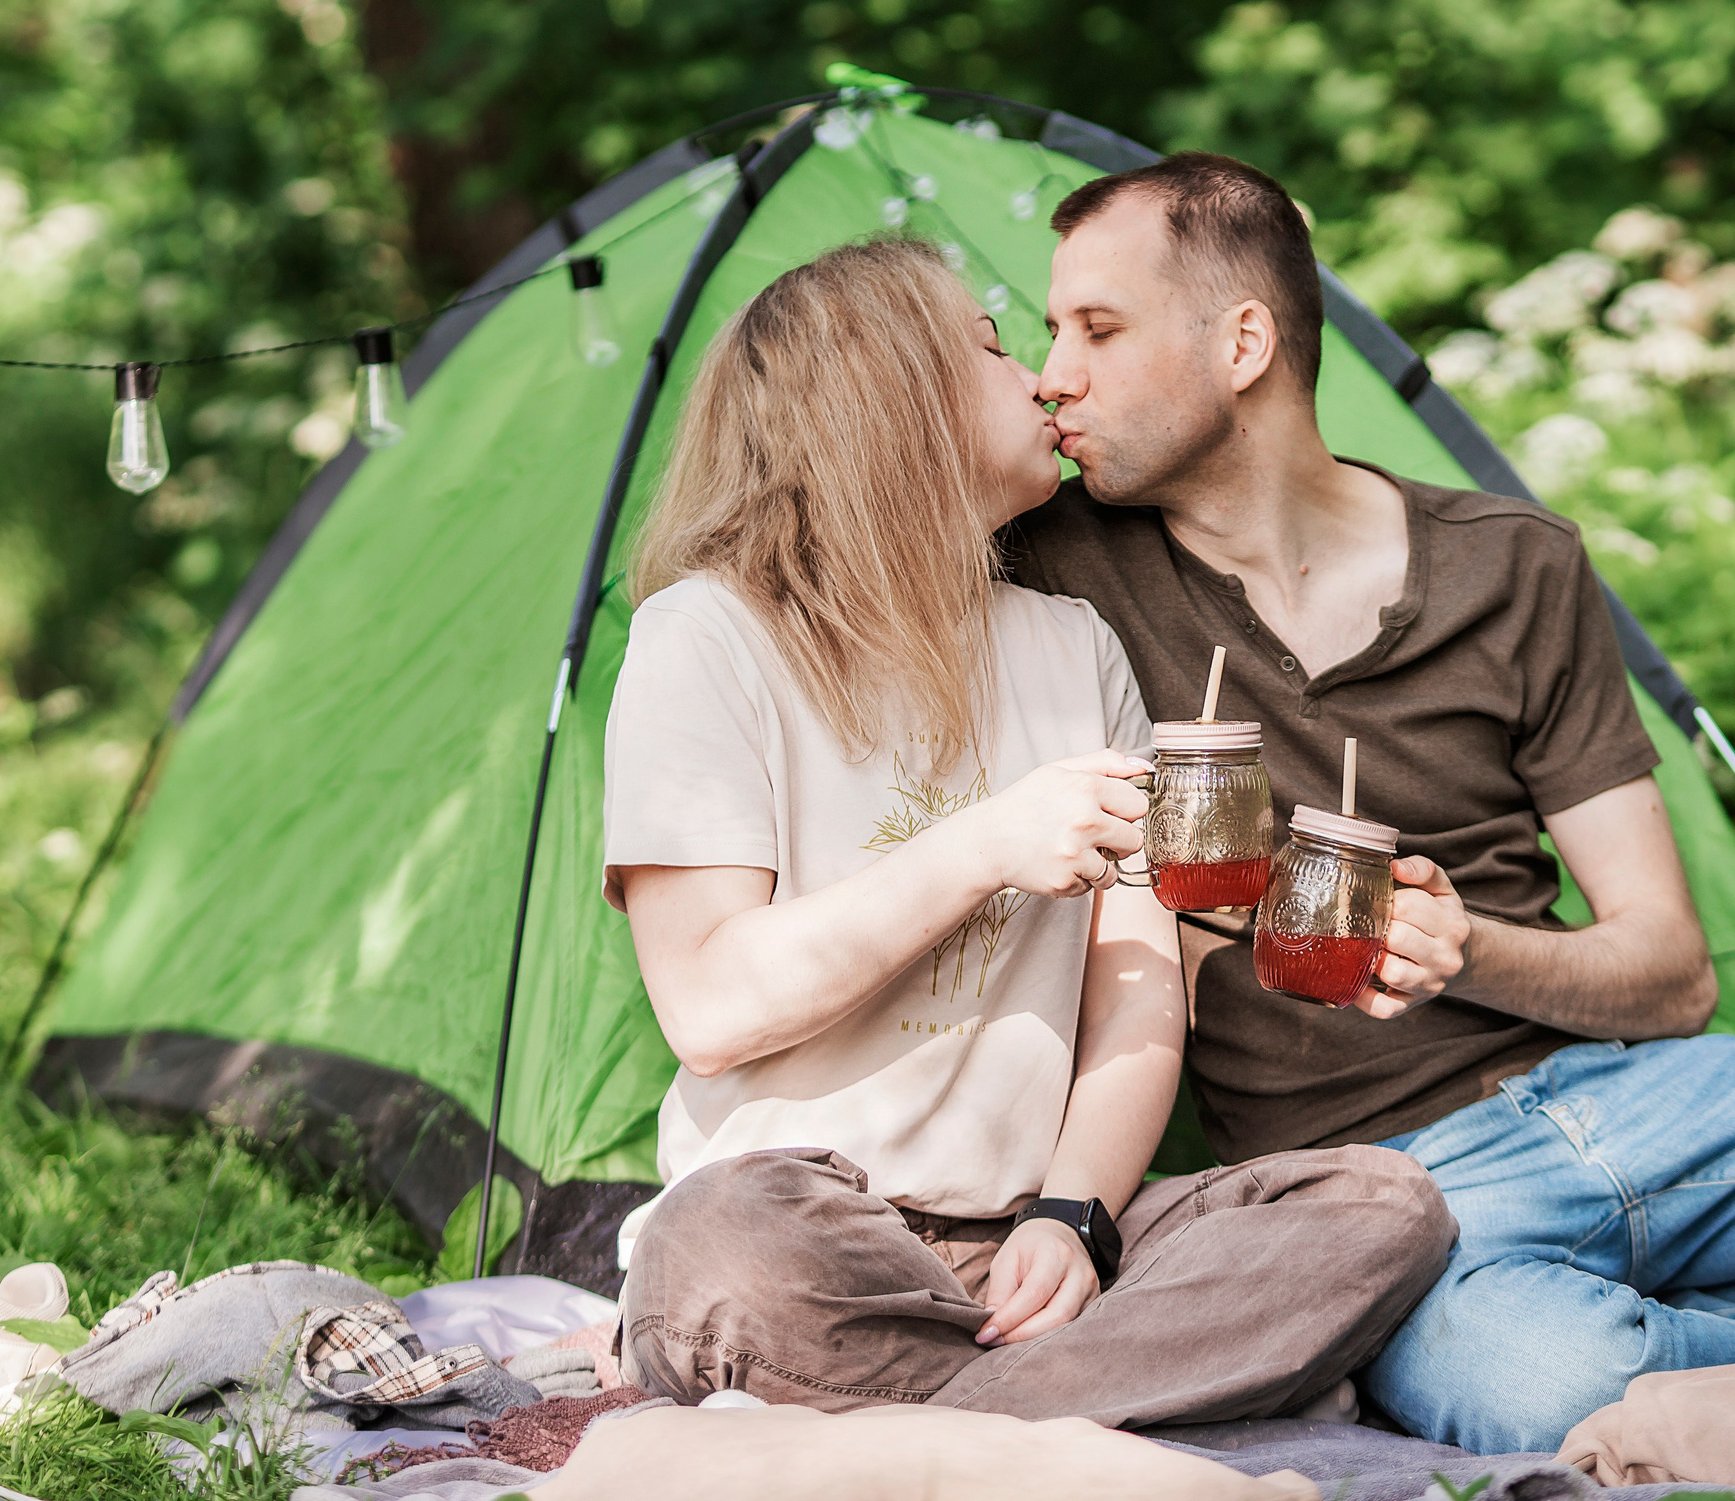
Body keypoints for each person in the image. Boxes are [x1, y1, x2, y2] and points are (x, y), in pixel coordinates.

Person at [1008, 153, 1735, 1455]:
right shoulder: (1052, 574)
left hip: (1636, 1107)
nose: (1051, 373)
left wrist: (1470, 948)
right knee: (1544, 1380)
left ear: (1242, 342)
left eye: (1097, 329)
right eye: (1043, 333)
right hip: (1378, 1192)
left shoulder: (1512, 565)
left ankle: (1705, 1366)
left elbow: (1672, 975)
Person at [599, 237, 1453, 1427]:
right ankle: (1099, 1412)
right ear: (895, 399)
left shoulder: (1071, 646)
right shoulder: (707, 635)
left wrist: (1075, 1216)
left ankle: (940, 1426)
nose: (1043, 378)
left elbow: (1139, 993)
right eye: (995, 347)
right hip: (803, 1233)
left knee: (1381, 1207)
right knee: (719, 1251)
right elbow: (710, 1010)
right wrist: (984, 846)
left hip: (1024, 1251)